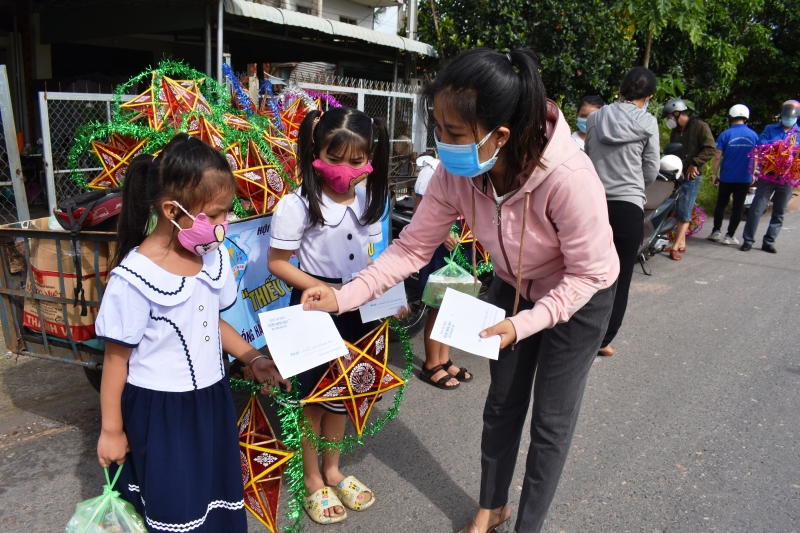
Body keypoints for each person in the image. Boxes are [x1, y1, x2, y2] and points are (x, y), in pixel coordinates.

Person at [301, 48, 619, 533]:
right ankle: (493, 507)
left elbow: (589, 274)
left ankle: (527, 524)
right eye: (439, 129)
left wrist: (523, 324)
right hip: (514, 288)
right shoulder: (457, 173)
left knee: (551, 422)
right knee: (501, 405)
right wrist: (343, 296)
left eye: (453, 134)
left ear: (501, 135)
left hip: (580, 297)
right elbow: (411, 249)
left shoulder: (570, 178)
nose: (442, 144)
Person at [94, 134, 290, 533]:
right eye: (216, 215)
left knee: (213, 499)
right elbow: (116, 361)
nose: (225, 224)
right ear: (171, 210)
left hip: (211, 402)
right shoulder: (134, 278)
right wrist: (111, 430)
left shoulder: (211, 256)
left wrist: (252, 358)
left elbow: (211, 322)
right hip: (161, 413)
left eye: (228, 212)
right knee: (176, 506)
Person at [267, 106, 387, 524]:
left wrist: (387, 294)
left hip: (357, 305)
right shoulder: (297, 204)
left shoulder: (371, 195)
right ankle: (313, 478)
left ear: (370, 157)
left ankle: (334, 468)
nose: (345, 169)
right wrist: (316, 287)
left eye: (357, 160)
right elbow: (277, 262)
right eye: (334, 159)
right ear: (315, 151)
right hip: (312, 308)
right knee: (310, 398)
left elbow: (373, 255)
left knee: (344, 392)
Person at [585, 67, 659, 358]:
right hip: (628, 207)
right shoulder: (648, 122)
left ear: (620, 87)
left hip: (592, 206)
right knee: (620, 276)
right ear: (648, 96)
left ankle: (574, 331)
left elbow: (588, 158)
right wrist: (635, 187)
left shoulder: (594, 118)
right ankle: (603, 339)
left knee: (586, 269)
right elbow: (651, 167)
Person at [413, 155, 472, 389]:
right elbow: (419, 214)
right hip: (440, 246)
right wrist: (443, 233)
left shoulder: (469, 168)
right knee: (439, 306)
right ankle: (430, 364)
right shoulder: (431, 170)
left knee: (454, 305)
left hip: (463, 242)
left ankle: (444, 358)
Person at [740, 100, 800, 253]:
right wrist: (777, 145)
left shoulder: (798, 133)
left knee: (779, 211)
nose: (788, 117)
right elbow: (760, 144)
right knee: (756, 209)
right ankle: (748, 240)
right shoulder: (770, 129)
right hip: (768, 175)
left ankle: (769, 241)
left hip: (787, 178)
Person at [662, 98, 716, 260]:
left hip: (693, 175)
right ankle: (682, 243)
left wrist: (694, 163)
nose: (668, 120)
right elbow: (673, 153)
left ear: (677, 113)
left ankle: (676, 247)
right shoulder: (676, 132)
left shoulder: (700, 126)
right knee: (678, 209)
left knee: (685, 211)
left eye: (669, 116)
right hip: (679, 175)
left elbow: (710, 149)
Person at [708, 104, 759, 245]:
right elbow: (756, 157)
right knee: (738, 207)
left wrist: (714, 174)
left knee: (721, 204)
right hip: (744, 178)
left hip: (726, 177)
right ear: (746, 118)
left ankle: (715, 232)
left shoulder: (726, 134)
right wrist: (753, 173)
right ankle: (729, 236)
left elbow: (717, 156)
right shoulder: (754, 135)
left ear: (731, 116)